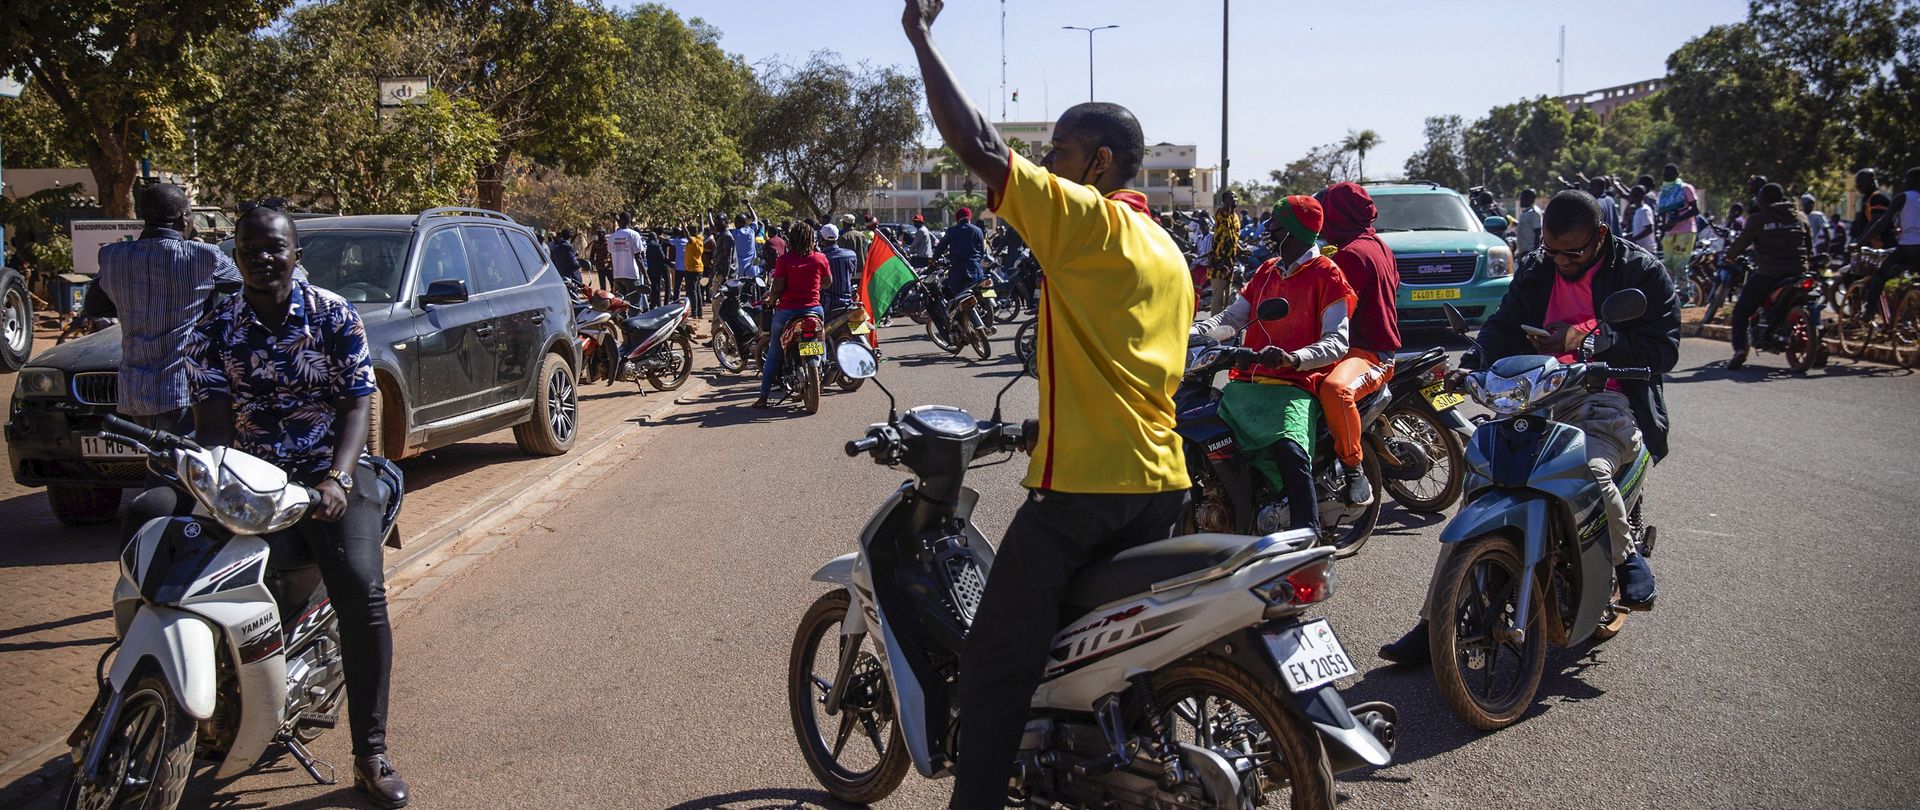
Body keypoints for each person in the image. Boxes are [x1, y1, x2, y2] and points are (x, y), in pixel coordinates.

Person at [905, 2, 1192, 804]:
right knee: (1096, 653)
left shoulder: (1085, 222)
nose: (1046, 163)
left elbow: (978, 149)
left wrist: (918, 38)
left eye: (1058, 152)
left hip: (1085, 494)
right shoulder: (1165, 247)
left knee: (997, 661)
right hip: (1160, 483)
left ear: (1098, 163)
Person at [1379, 190, 1678, 665]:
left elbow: (1664, 351)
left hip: (1607, 399)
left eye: (1572, 253)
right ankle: (1434, 619)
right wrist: (1474, 361)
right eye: (1552, 250)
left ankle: (1627, 559)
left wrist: (1596, 342)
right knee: (1482, 480)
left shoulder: (1641, 273)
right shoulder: (1539, 268)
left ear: (1601, 236)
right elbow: (1504, 323)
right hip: (1535, 395)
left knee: (1589, 470)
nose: (1559, 262)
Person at [179, 207, 410, 807]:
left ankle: (371, 751)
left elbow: (359, 405)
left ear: (295, 253)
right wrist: (213, 484)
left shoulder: (333, 316)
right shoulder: (213, 328)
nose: (261, 256)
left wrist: (336, 478)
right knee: (174, 554)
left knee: (362, 590)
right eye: (249, 247)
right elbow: (211, 424)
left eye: (273, 247)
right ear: (235, 253)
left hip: (329, 471)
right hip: (249, 477)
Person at [1192, 196, 1356, 531]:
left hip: (1294, 386)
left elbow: (1337, 342)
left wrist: (1294, 359)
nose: (1267, 230)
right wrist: (1190, 333)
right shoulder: (1267, 271)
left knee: (1289, 450)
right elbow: (1232, 319)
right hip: (1246, 386)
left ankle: (1307, 538)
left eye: (1275, 226)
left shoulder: (1328, 275)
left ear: (1295, 232)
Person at [81, 183, 242, 451]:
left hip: (135, 394)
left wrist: (136, 305)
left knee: (157, 466)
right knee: (182, 475)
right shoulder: (202, 256)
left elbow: (95, 307)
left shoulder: (112, 256)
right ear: (185, 218)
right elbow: (251, 290)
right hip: (181, 389)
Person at [1317, 182, 1401, 504]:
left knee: (1334, 390)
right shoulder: (1378, 244)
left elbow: (1335, 315)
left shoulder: (1350, 255)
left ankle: (1354, 470)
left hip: (1370, 353)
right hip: (1362, 346)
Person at [1722, 183, 1814, 370]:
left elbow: (1741, 242)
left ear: (1763, 200)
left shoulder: (1758, 219)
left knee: (1741, 311)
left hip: (1769, 273)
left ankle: (1740, 349)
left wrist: (1729, 256)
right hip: (1799, 271)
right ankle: (1817, 343)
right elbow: (1809, 246)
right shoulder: (1800, 217)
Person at [752, 223, 830, 408]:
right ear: (811, 239)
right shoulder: (820, 258)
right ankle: (822, 368)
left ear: (791, 240)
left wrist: (771, 299)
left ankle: (763, 397)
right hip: (814, 310)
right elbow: (827, 281)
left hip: (787, 312)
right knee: (821, 341)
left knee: (774, 352)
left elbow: (777, 287)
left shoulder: (784, 260)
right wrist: (814, 288)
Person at [1857, 167, 1920, 317]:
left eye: (1906, 180)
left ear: (1911, 182)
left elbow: (1882, 222)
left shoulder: (1902, 197)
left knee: (1880, 275)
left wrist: (1860, 243)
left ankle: (1869, 313)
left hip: (1908, 247)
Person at [930, 206, 986, 336]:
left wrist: (933, 260)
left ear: (957, 219)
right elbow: (982, 251)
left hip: (958, 273)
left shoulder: (952, 231)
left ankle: (959, 326)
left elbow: (940, 247)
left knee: (955, 299)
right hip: (977, 271)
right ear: (969, 218)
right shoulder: (978, 231)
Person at [1655, 163, 1702, 304]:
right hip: (1669, 233)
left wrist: (1676, 221)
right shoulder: (1664, 191)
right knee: (1667, 265)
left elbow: (1695, 209)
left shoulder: (1685, 188)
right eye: (1665, 175)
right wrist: (1663, 227)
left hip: (1685, 231)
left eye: (1669, 174)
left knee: (1680, 265)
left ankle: (1684, 295)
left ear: (1676, 174)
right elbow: (1662, 213)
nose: (1666, 177)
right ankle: (1668, 294)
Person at [1209, 191, 1242, 314]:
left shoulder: (1236, 217)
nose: (1235, 199)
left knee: (1227, 298)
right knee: (1218, 297)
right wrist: (1228, 206)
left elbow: (1234, 238)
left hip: (1230, 262)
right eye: (1231, 197)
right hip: (1218, 262)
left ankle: (1223, 327)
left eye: (1235, 196)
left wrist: (1242, 250)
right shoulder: (1221, 214)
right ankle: (1213, 328)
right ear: (1224, 201)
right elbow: (1226, 233)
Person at [820, 223, 861, 314]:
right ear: (838, 237)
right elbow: (852, 274)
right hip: (848, 303)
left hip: (827, 306)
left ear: (822, 239)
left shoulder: (820, 258)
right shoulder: (851, 255)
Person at [606, 213, 644, 298]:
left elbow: (611, 254)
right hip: (631, 275)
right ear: (629, 221)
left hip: (617, 276)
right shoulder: (634, 235)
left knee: (622, 305)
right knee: (634, 305)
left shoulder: (612, 237)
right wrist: (646, 276)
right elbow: (638, 257)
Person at [1625, 185, 1659, 254]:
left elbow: (1649, 229)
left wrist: (1633, 239)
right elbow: (1640, 229)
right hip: (1640, 248)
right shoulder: (1638, 210)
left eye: (1631, 194)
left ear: (1637, 196)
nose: (1629, 197)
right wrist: (1629, 236)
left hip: (1647, 249)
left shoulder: (1644, 210)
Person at [682, 225, 705, 317]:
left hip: (692, 269)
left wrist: (682, 223)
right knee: (698, 290)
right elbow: (702, 229)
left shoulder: (693, 240)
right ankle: (700, 313)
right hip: (699, 268)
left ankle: (694, 313)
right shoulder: (700, 238)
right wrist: (702, 217)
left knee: (692, 291)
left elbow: (687, 235)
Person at [644, 227, 672, 302]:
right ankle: (658, 302)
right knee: (657, 285)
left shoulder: (664, 240)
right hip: (657, 266)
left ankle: (666, 302)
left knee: (667, 284)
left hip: (664, 264)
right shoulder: (653, 242)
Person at [730, 213, 760, 279]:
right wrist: (748, 205)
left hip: (739, 271)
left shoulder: (733, 233)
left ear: (736, 223)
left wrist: (710, 214)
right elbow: (755, 218)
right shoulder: (751, 231)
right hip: (752, 270)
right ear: (746, 222)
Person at [1515, 188, 1543, 253]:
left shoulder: (1533, 212)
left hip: (1529, 252)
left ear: (1529, 199)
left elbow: (1537, 233)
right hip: (1523, 251)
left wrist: (1535, 253)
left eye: (1522, 198)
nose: (1521, 200)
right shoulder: (1526, 212)